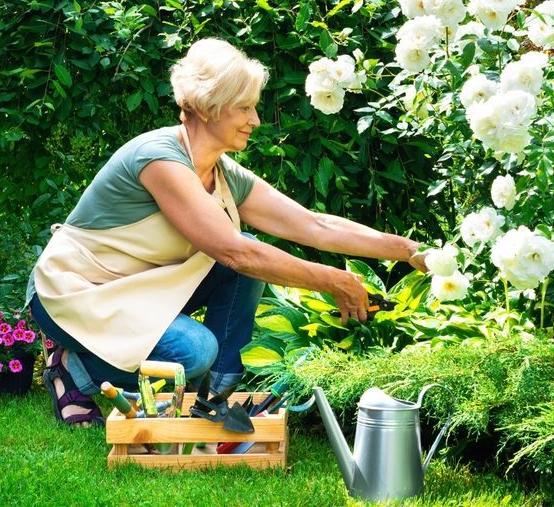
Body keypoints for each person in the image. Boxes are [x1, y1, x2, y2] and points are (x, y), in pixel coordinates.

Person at [27, 38, 427, 427]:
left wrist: (409, 250)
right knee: (193, 350)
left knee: (247, 259)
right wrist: (333, 281)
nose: (255, 120)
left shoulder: (220, 171)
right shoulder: (158, 159)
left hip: (140, 293)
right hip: (78, 293)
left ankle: (213, 398)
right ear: (207, 107)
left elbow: (312, 224)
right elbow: (235, 253)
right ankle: (73, 367)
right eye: (244, 108)